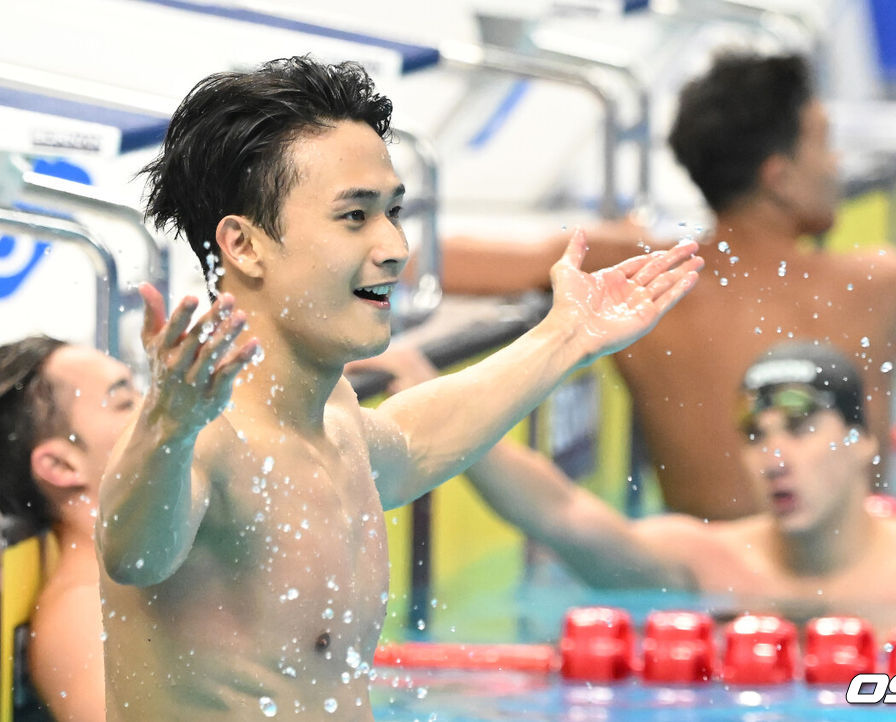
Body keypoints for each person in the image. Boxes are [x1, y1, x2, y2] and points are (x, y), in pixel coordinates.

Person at [96, 56, 703, 721]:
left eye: (393, 212)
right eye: (354, 217)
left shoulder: (332, 416)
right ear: (243, 246)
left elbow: (410, 443)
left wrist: (566, 336)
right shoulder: (202, 434)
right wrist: (167, 427)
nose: (394, 246)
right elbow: (133, 554)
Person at [441, 52, 896, 521]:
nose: (836, 163)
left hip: (701, 573)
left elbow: (456, 259)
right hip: (858, 573)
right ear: (778, 178)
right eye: (824, 144)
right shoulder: (876, 282)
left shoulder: (648, 281)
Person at [452, 341, 896, 627]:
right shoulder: (704, 562)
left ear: (862, 440)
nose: (774, 458)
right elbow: (562, 514)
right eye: (755, 435)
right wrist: (443, 407)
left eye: (799, 429)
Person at [0, 336, 139, 722]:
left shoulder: (146, 568)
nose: (157, 411)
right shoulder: (82, 620)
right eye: (125, 402)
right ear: (62, 466)